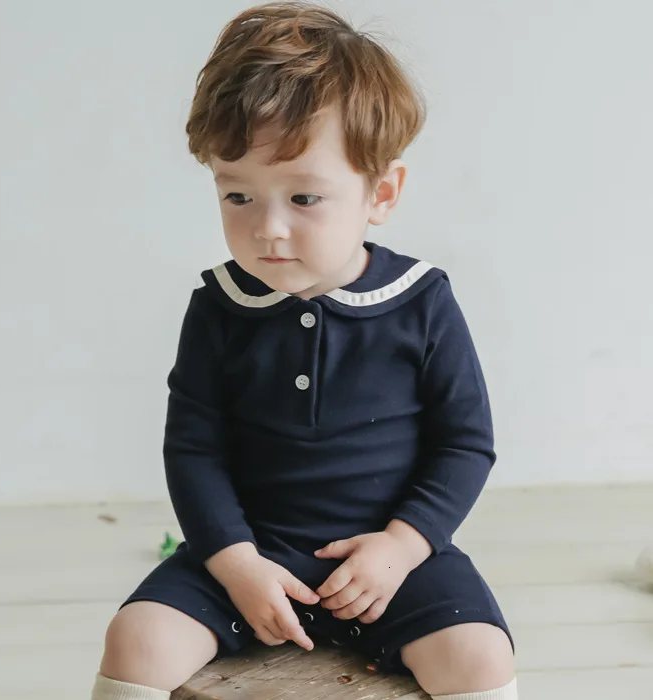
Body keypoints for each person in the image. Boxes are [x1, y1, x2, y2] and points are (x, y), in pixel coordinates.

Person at [91, 3, 518, 699]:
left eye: (305, 198)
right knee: (136, 638)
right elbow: (193, 450)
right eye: (238, 195)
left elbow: (464, 444)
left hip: (389, 558)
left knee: (479, 656)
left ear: (381, 193)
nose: (269, 229)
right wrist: (235, 564)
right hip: (250, 552)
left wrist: (401, 547)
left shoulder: (421, 301)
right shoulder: (220, 305)